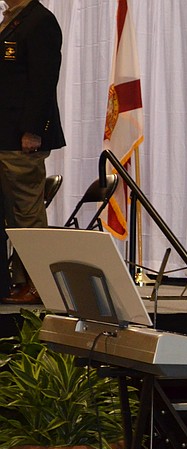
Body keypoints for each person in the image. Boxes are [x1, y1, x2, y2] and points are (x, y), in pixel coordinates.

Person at [0, 0, 65, 304]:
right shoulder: (12, 20)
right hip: (5, 135)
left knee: (26, 213)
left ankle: (39, 283)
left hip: (21, 138)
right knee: (12, 215)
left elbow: (43, 81)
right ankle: (18, 280)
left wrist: (33, 130)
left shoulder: (40, 21)